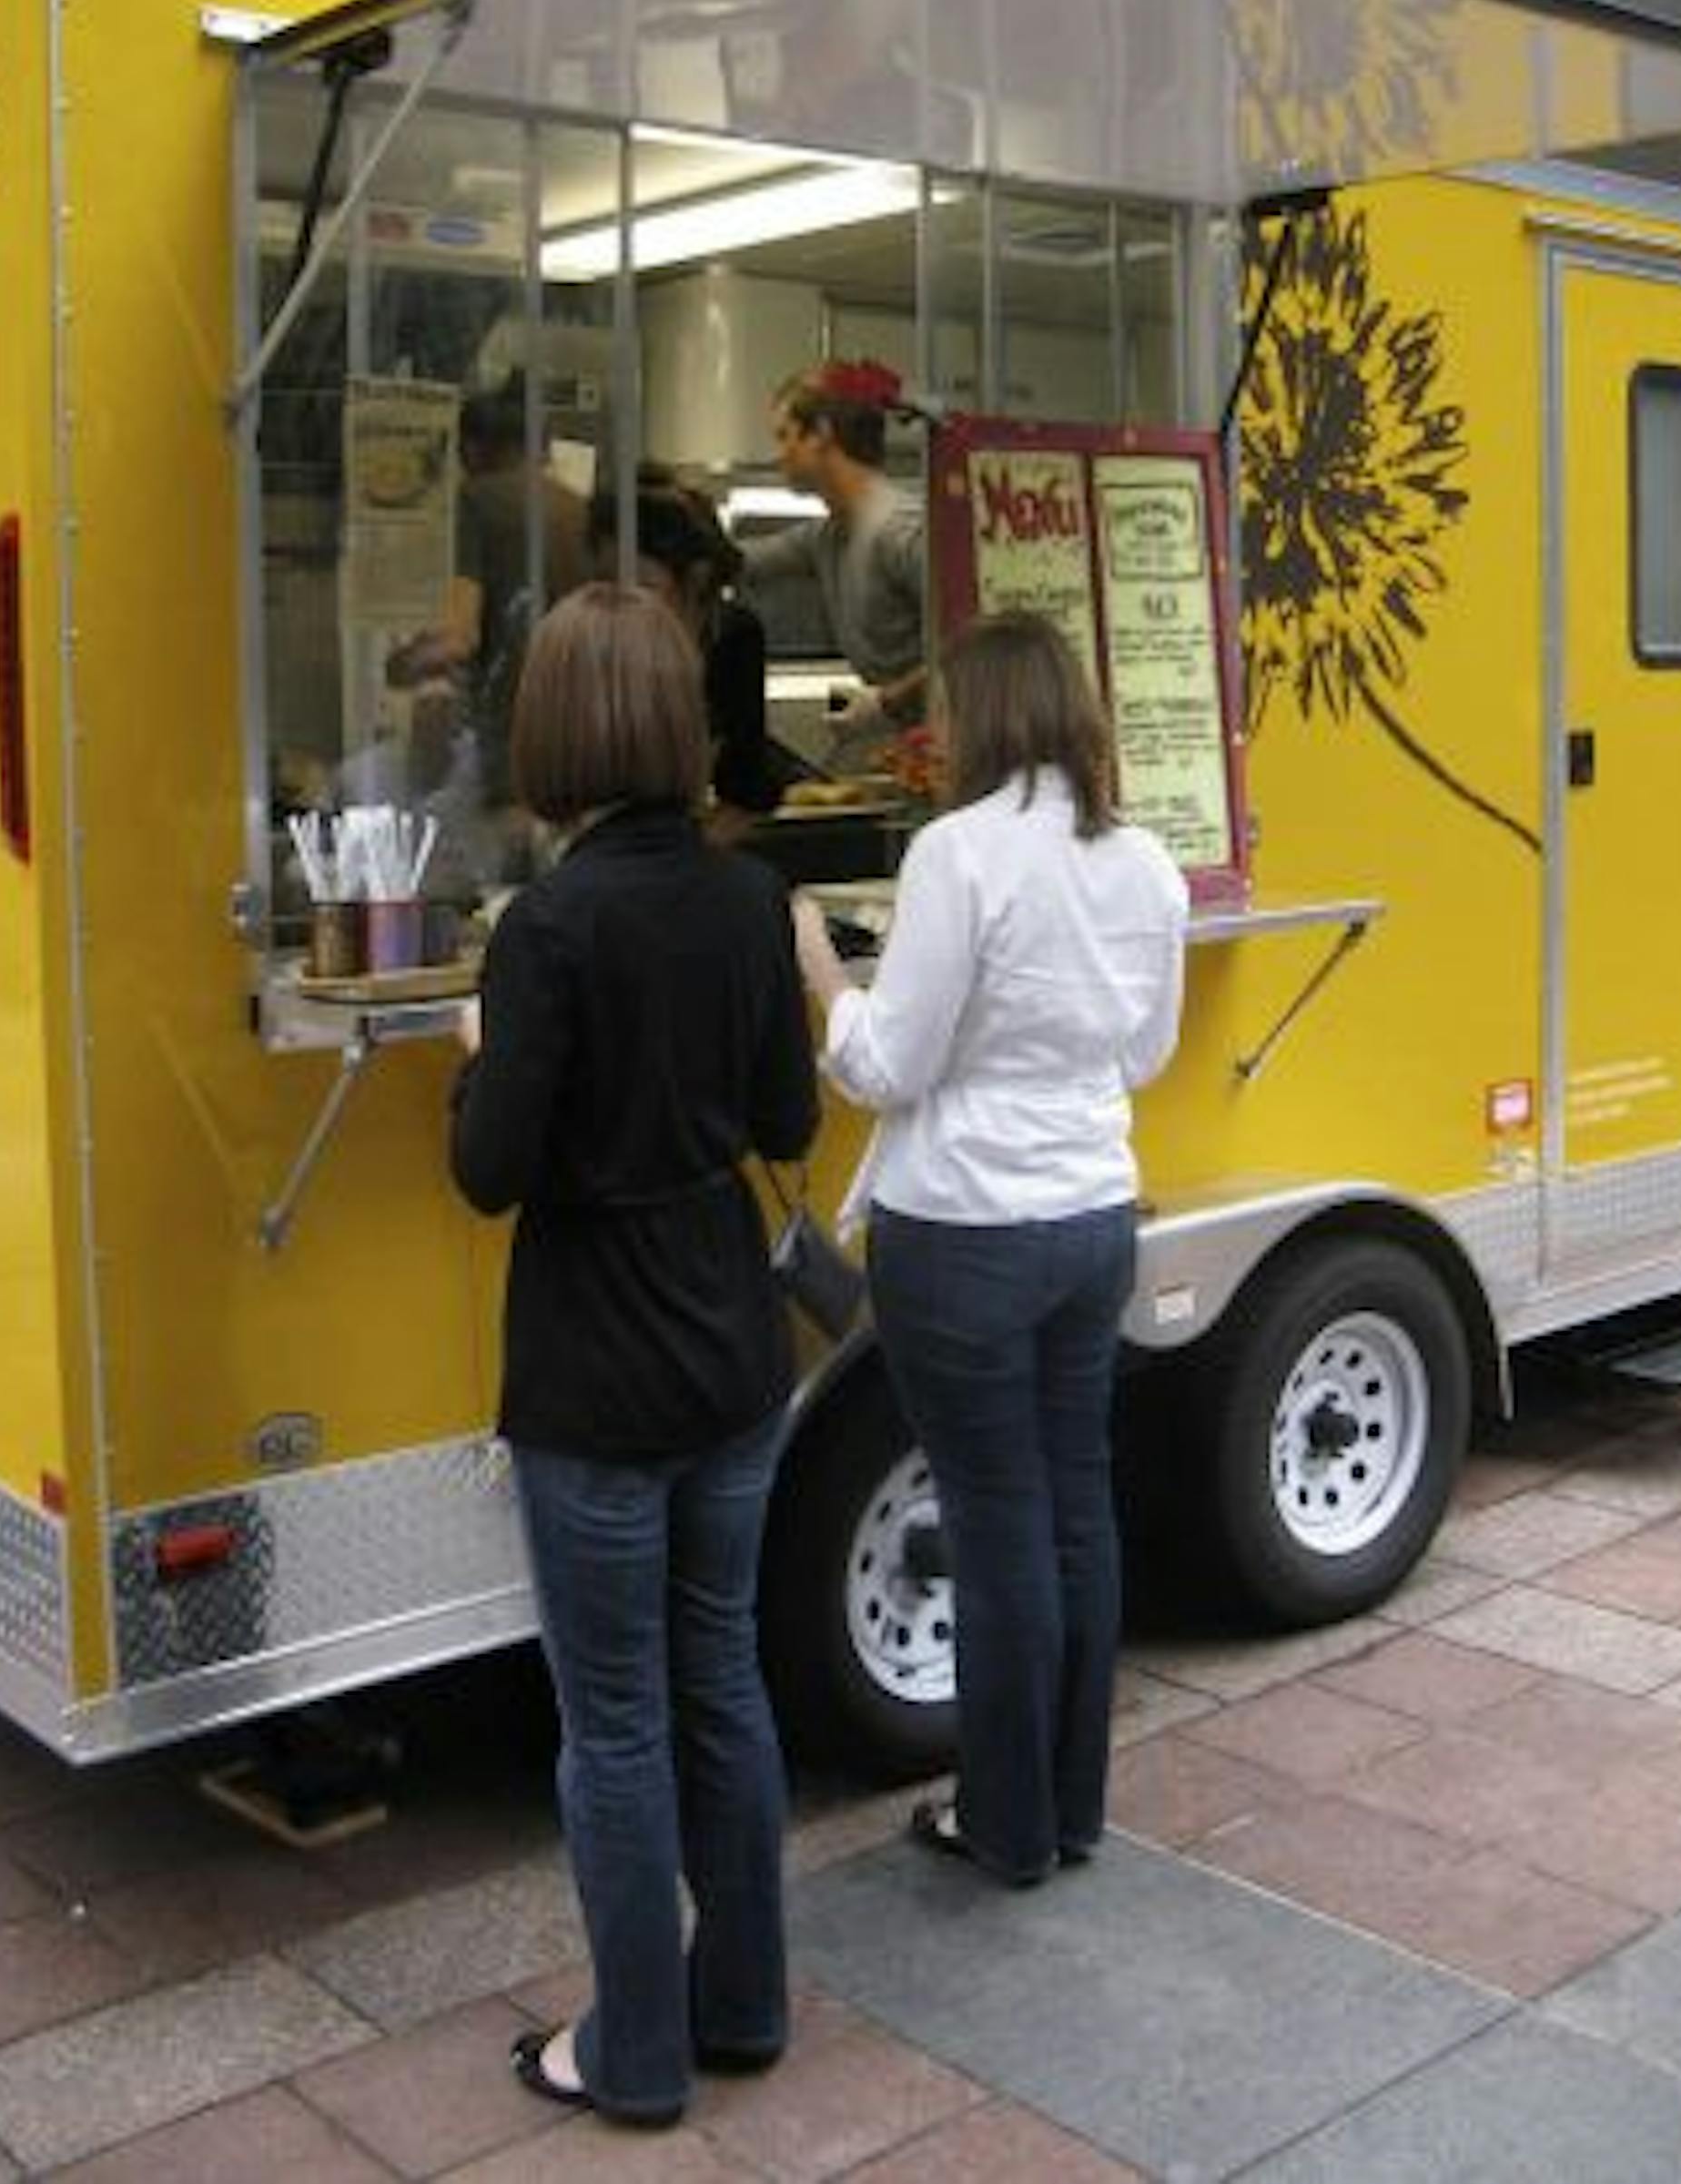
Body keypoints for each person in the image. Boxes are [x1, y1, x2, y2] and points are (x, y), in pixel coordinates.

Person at [450, 583, 819, 2128]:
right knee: (720, 1679)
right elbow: (788, 1126)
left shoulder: (546, 929)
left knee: (612, 1724)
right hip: (734, 1352)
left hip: (595, 1375)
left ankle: (634, 2052)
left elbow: (491, 1171)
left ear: (551, 731)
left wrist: (485, 1055)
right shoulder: (750, 898)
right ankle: (743, 2005)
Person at [790, 609, 1189, 1885]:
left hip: (963, 1231)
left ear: (987, 716)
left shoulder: (956, 856)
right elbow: (1146, 1054)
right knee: (1078, 1506)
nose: (937, 732)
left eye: (949, 711)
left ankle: (1006, 1825)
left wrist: (821, 976)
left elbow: (887, 1064)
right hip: (1091, 1220)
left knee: (998, 1518)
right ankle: (1069, 1809)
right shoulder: (1146, 863)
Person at [389, 378, 592, 811]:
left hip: (516, 740)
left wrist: (402, 663)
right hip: (585, 733)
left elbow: (459, 638)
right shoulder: (579, 508)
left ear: (474, 449)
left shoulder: (479, 501)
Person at [743, 359, 926, 761]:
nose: (780, 455)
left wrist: (888, 702)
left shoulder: (899, 531)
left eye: (784, 436)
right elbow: (739, 562)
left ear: (821, 434)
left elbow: (976, 644)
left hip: (969, 750)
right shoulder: (827, 537)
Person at [584, 470, 789, 818]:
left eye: (641, 588)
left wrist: (690, 854)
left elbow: (746, 788)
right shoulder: (593, 643)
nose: (618, 606)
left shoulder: (731, 638)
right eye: (604, 585)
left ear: (696, 580)